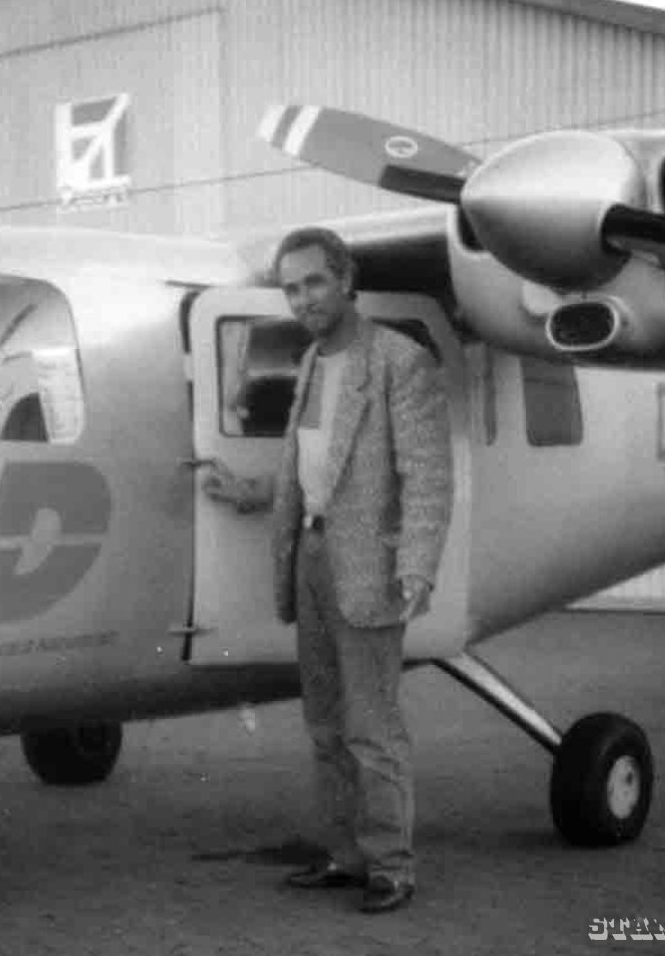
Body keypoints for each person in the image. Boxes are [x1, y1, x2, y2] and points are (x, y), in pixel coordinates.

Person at [202, 226, 453, 914]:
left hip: (369, 565)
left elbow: (427, 475)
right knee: (325, 724)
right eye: (291, 288)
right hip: (311, 556)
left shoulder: (400, 361)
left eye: (314, 282)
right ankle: (347, 856)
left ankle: (392, 866)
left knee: (371, 726)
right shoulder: (313, 360)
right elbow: (312, 462)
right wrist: (253, 493)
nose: (303, 298)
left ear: (346, 279)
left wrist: (418, 565)